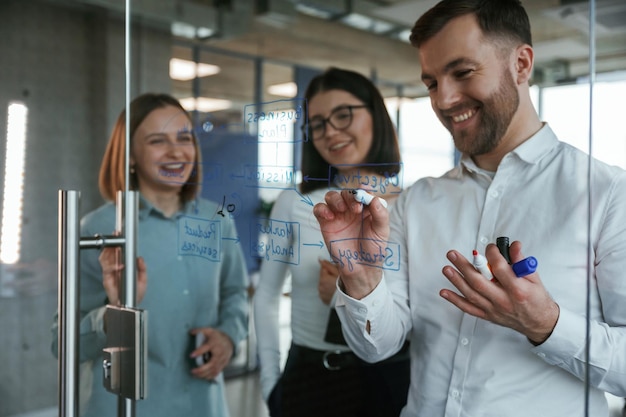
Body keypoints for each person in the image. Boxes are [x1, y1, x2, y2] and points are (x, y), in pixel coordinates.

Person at [312, 1, 626, 416]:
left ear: (521, 64)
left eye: (462, 73)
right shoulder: (418, 201)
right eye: (431, 83)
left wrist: (546, 324)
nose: (444, 99)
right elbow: (379, 346)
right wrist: (362, 279)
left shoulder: (607, 194)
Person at [51, 93, 249, 417]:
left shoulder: (217, 220)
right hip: (125, 406)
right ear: (130, 156)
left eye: (184, 138)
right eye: (158, 141)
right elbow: (63, 342)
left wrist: (228, 335)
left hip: (204, 405)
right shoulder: (100, 228)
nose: (175, 151)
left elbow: (235, 293)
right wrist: (115, 312)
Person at [253, 67, 410, 417]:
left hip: (391, 378)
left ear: (376, 115)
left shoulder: (412, 204)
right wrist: (270, 385)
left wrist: (348, 291)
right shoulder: (294, 201)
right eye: (319, 123)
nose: (331, 132)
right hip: (311, 378)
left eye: (343, 115)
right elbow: (266, 297)